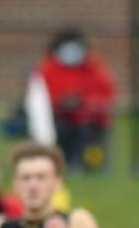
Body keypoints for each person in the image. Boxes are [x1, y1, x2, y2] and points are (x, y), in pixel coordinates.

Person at [31, 29, 117, 172]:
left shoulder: (93, 67)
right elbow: (40, 98)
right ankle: (60, 163)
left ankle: (83, 164)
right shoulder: (47, 68)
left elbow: (106, 93)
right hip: (58, 117)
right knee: (61, 130)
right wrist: (61, 102)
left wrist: (84, 102)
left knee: (86, 131)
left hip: (87, 118)